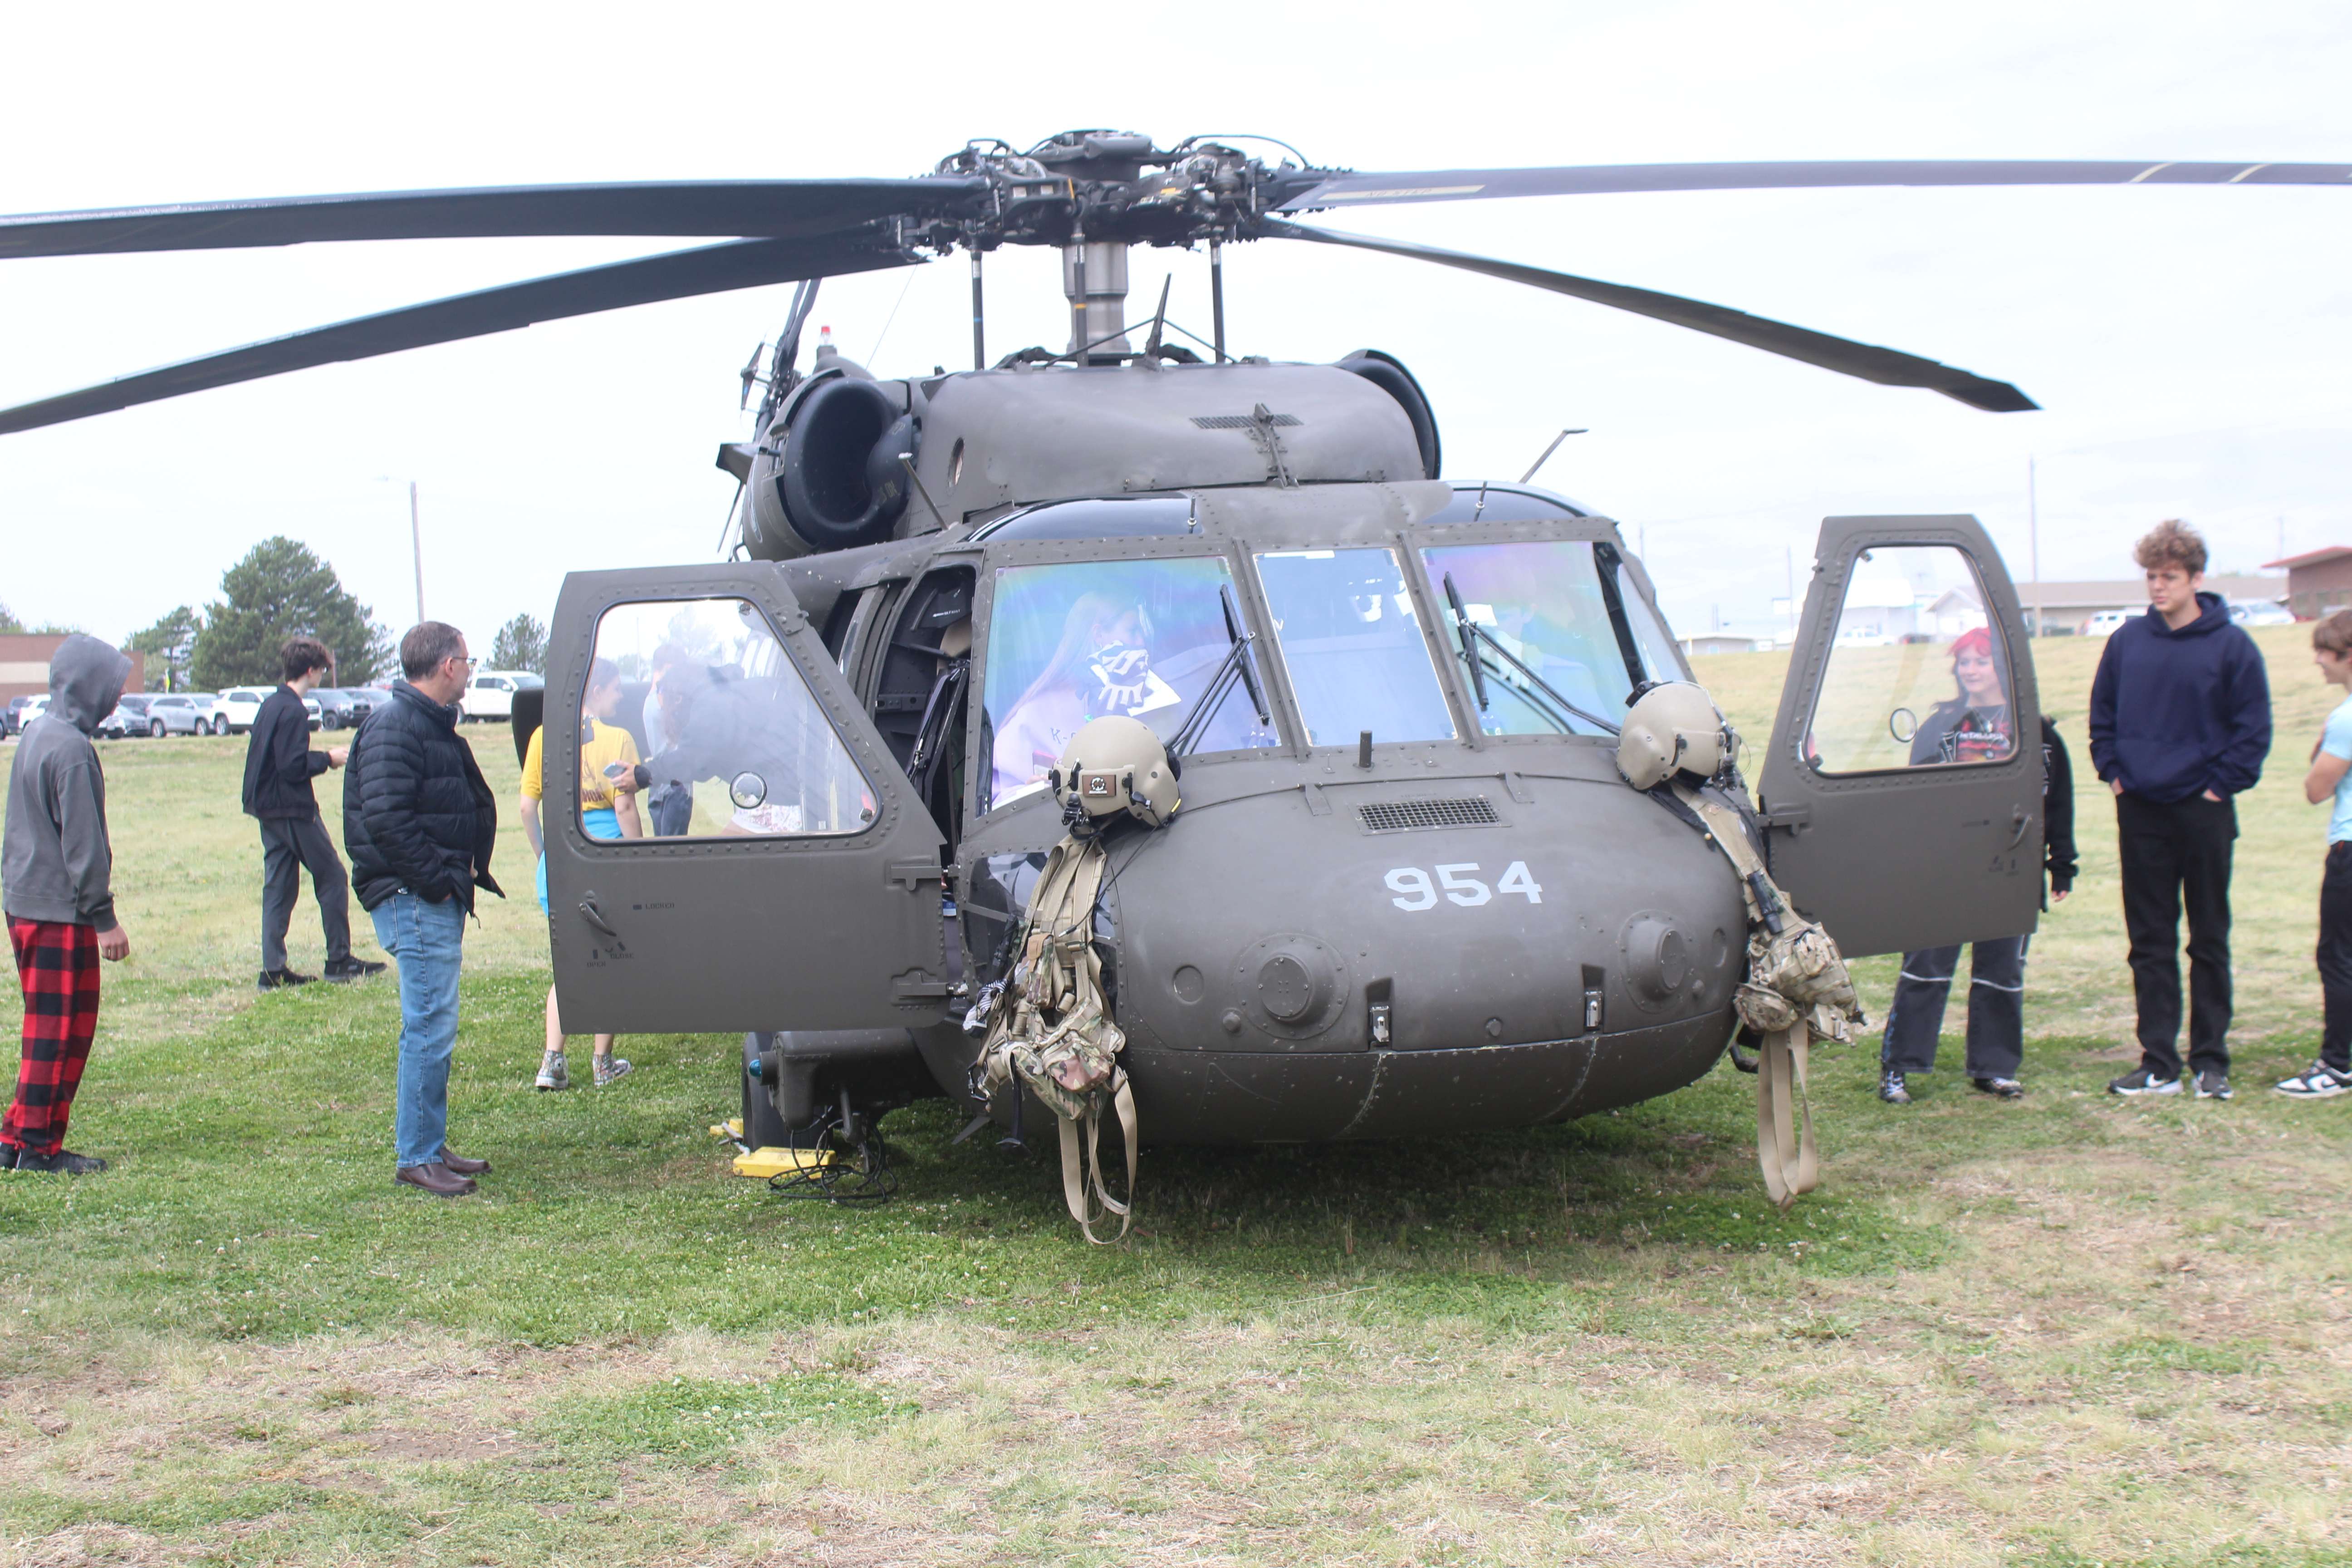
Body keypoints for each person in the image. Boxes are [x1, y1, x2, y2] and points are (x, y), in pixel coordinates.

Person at [2089, 519, 2272, 1101]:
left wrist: (2219, 789)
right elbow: (2103, 721)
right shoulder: (2126, 642)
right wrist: (2116, 778)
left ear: (2196, 578)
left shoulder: (2232, 646)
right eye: (2151, 575)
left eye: (2169, 576)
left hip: (2204, 812)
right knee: (2149, 941)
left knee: (2209, 938)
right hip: (2140, 810)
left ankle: (2211, 1061)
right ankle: (2159, 1061)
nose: (2158, 586)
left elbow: (2253, 730)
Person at [1878, 629, 2078, 1102]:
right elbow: (1916, 800)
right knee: (1926, 968)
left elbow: (2058, 802)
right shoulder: (1940, 726)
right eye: (1963, 662)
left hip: (2011, 867)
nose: (1969, 670)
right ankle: (1898, 1067)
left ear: (2004, 669)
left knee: (2001, 971)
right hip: (1946, 870)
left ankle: (1994, 1067)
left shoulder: (2038, 732)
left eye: (1980, 661)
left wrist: (2061, 864)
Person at [344, 622, 502, 1197]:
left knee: (436, 1024)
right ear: (447, 667)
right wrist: (437, 883)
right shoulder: (395, 725)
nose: (470, 669)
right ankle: (415, 1156)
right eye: (467, 659)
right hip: (414, 899)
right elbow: (386, 820)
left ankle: (430, 1145)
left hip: (429, 895)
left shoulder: (425, 722)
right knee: (429, 1026)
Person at [0, 635, 134, 1173]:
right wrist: (105, 919)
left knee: (47, 1024)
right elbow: (83, 846)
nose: (118, 700)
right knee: (62, 1028)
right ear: (88, 687)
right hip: (59, 910)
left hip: (26, 901)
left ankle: (17, 1135)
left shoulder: (37, 732)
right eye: (113, 689)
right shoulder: (73, 751)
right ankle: (36, 1147)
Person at [520, 657, 642, 1089]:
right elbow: (624, 805)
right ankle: (602, 1063)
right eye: (616, 689)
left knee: (568, 961)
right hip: (604, 855)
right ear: (596, 691)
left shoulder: (544, 737)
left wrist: (543, 856)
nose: (622, 696)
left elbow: (526, 807)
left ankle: (552, 1061)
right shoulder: (619, 739)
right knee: (608, 961)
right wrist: (637, 857)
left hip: (558, 857)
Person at [243, 635, 385, 989]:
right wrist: (329, 760)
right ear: (311, 670)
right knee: (333, 877)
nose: (323, 674)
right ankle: (339, 961)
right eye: (322, 669)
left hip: (267, 809)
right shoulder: (293, 709)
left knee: (278, 887)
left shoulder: (271, 704)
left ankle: (272, 971)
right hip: (291, 809)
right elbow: (292, 766)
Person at [990, 594, 1176, 800]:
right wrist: (1036, 792)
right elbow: (999, 801)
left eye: (1142, 631)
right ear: (1098, 636)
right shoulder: (1036, 714)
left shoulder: (1160, 696)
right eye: (1133, 631)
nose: (1141, 641)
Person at [2279, 610, 2352, 1098]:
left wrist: (2322, 746)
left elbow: (2315, 789)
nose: (2318, 662)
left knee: (2339, 957)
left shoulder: (2345, 718)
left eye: (2323, 652)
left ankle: (2337, 1063)